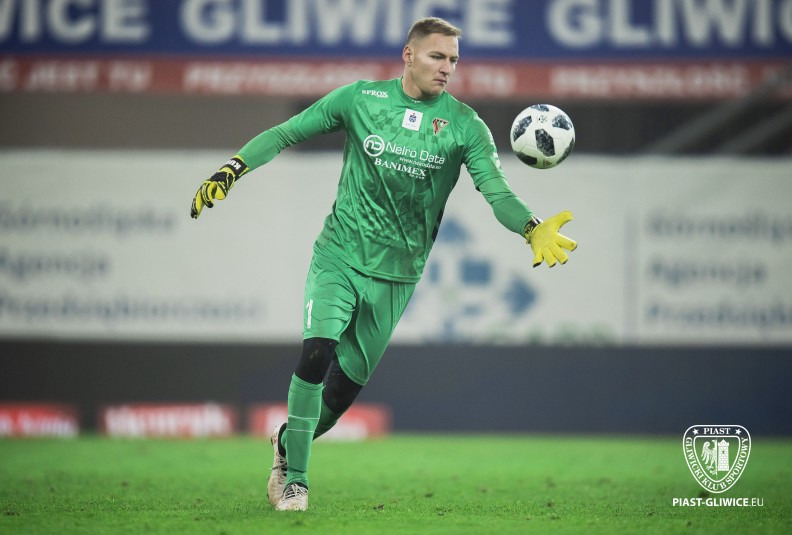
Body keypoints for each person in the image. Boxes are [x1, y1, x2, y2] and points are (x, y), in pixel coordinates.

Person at [189, 17, 578, 512]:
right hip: (338, 256)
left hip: (396, 277)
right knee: (316, 352)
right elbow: (286, 133)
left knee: (339, 398)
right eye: (437, 56)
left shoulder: (465, 126)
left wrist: (530, 226)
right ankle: (296, 483)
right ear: (409, 55)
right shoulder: (360, 100)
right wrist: (234, 167)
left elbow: (496, 193)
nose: (447, 68)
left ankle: (286, 443)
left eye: (454, 60)